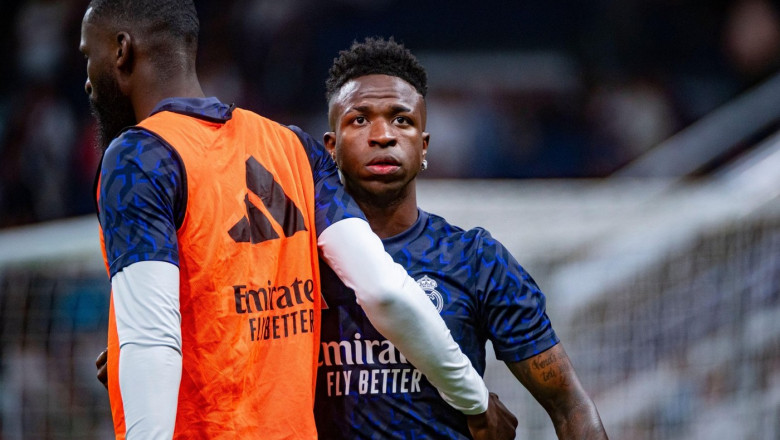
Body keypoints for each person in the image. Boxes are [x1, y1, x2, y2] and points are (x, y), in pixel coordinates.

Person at [80, 1, 516, 438]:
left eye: (88, 55)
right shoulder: (292, 147)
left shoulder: (139, 158)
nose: (86, 79)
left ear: (121, 50)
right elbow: (387, 291)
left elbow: (151, 342)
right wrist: (474, 400)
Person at [313, 37, 609, 439]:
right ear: (330, 147)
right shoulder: (296, 258)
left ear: (423, 146)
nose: (382, 135)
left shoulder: (474, 259)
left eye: (402, 120)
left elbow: (569, 404)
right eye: (359, 120)